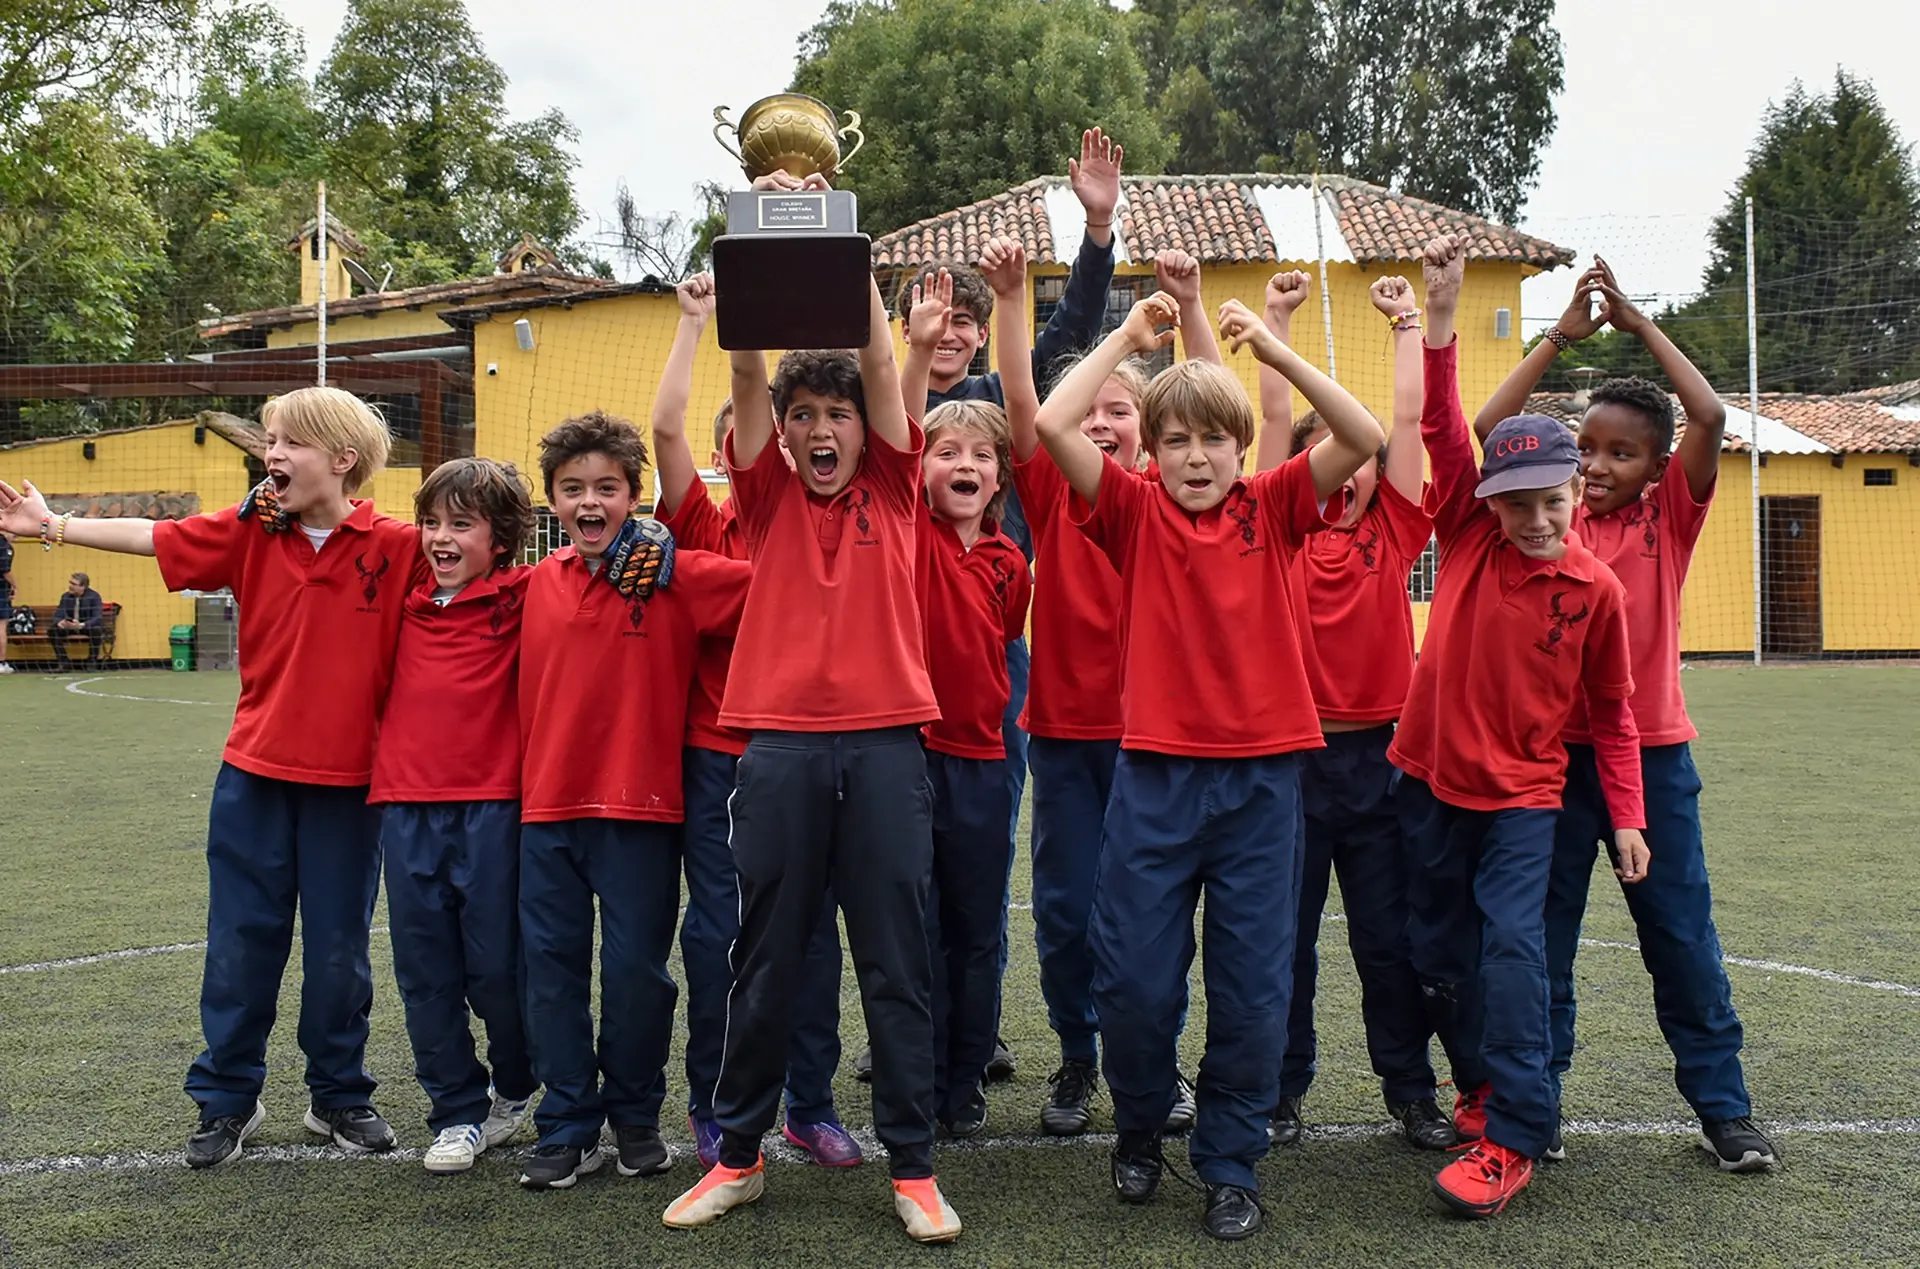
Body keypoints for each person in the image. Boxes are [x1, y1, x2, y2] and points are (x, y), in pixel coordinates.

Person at [1036, 291, 1384, 1240]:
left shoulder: (1274, 506)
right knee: (1136, 985)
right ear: (1150, 452)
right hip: (1152, 782)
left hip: (1265, 787)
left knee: (1254, 988)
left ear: (1241, 449)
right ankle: (1142, 1125)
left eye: (1214, 441)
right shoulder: (1132, 511)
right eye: (1178, 441)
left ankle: (1231, 1161)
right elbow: (1051, 419)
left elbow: (1359, 430)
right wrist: (1128, 337)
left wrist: (1269, 348)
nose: (1197, 458)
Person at [0, 386, 420, 1168]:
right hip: (252, 778)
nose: (272, 454)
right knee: (240, 944)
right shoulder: (248, 532)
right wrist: (51, 525)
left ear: (342, 459)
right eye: (268, 440)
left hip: (354, 789)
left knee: (339, 952)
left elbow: (479, 556)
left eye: (289, 441)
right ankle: (228, 1097)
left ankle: (338, 1094)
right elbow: (153, 534)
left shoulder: (397, 545)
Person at [664, 274, 961, 1244]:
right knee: (765, 962)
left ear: (863, 430)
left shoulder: (890, 480)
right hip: (780, 748)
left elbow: (883, 360)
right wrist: (760, 253)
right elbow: (745, 369)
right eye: (804, 416)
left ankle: (912, 1170)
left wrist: (836, 255)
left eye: (838, 414)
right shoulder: (759, 494)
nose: (822, 428)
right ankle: (739, 1156)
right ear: (780, 434)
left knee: (895, 963)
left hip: (885, 747)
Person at [1472, 257, 1775, 1173]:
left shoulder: (1668, 519)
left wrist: (1641, 326)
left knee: (1679, 934)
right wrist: (1559, 335)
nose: (1600, 466)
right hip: (1547, 764)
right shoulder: (1542, 516)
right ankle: (1540, 1103)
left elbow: (1713, 417)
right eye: (1589, 448)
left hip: (1653, 758)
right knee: (1543, 938)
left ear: (1655, 465)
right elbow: (1486, 429)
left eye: (1623, 453)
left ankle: (1725, 1109)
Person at [1390, 234, 1649, 1220]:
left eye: (1551, 502)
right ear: (1487, 507)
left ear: (1575, 495)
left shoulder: (1596, 590)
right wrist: (1442, 316)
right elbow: (1453, 433)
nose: (1534, 521)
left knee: (1515, 955)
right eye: (1516, 506)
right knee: (1438, 955)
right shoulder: (1465, 529)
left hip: (1524, 805)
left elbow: (1614, 714)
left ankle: (1514, 1136)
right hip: (1425, 784)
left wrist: (1625, 816)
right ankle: (1484, 1088)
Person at [885, 127, 1126, 1085]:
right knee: (901, 876)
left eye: (961, 319)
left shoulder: (997, 407)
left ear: (981, 336)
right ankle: (918, 1034)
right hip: (900, 673)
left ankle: (974, 1031)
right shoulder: (888, 416)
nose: (945, 330)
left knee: (982, 852)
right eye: (928, 317)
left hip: (997, 659)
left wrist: (1097, 227)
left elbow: (1064, 341)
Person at [1002, 245, 1216, 1139]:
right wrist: (1016, 300)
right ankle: (1079, 1056)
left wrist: (1192, 309)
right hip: (1063, 733)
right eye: (1089, 409)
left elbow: (1210, 396)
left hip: (1153, 740)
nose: (1101, 423)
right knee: (1064, 909)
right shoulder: (1057, 488)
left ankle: (1154, 1065)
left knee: (1151, 917)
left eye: (1119, 410)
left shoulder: (1173, 495)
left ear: (1150, 428)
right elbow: (1024, 406)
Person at [650, 274, 861, 1170]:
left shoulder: (825, 516)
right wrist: (699, 320)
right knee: (720, 935)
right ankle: (713, 1100)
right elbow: (663, 429)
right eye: (735, 434)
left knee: (813, 936)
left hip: (812, 753)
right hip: (721, 759)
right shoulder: (700, 518)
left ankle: (808, 1104)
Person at [514, 410, 750, 1190]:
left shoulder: (667, 572)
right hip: (546, 815)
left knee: (636, 975)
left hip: (643, 817)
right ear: (552, 501)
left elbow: (770, 593)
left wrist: (673, 552)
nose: (590, 502)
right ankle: (567, 1123)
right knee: (550, 973)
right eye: (573, 489)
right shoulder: (531, 588)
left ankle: (636, 1117)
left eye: (607, 488)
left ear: (633, 496)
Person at [1253, 270, 1461, 1152]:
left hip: (1381, 767)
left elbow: (1409, 420)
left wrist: (1409, 321)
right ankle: (1279, 1087)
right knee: (1281, 947)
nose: (1352, 472)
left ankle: (1410, 1090)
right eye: (1331, 457)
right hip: (1291, 764)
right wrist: (1275, 321)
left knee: (1389, 943)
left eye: (1365, 458)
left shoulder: (1396, 529)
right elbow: (1269, 422)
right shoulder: (1275, 530)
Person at [367, 457, 540, 1175]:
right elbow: (350, 525)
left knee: (498, 968)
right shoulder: (400, 595)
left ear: (500, 539)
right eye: (431, 522)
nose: (440, 538)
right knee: (424, 972)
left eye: (460, 524)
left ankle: (518, 1080)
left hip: (495, 810)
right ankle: (457, 1111)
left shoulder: (527, 593)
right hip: (405, 808)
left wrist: (645, 534)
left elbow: (593, 566)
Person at [900, 247, 1033, 1138]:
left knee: (974, 927)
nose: (962, 462)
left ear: (999, 476)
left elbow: (1005, 635)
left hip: (984, 762)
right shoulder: (902, 530)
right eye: (945, 450)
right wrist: (909, 344)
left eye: (980, 454)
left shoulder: (1010, 560)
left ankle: (963, 1079)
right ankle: (912, 1074)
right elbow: (896, 429)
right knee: (908, 932)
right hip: (904, 759)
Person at [50, 572, 105, 670]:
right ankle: (64, 663)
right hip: (70, 626)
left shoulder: (94, 596)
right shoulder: (65, 597)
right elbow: (58, 614)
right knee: (53, 630)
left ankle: (91, 663)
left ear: (83, 587)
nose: (70, 586)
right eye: (70, 583)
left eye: (74, 584)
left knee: (97, 630)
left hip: (85, 627)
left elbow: (97, 617)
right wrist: (60, 622)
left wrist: (82, 625)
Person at [0, 528, 15, 673]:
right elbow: (5, 570)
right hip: (0, 591)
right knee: (1, 626)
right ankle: (1, 663)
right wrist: (15, 585)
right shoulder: (4, 546)